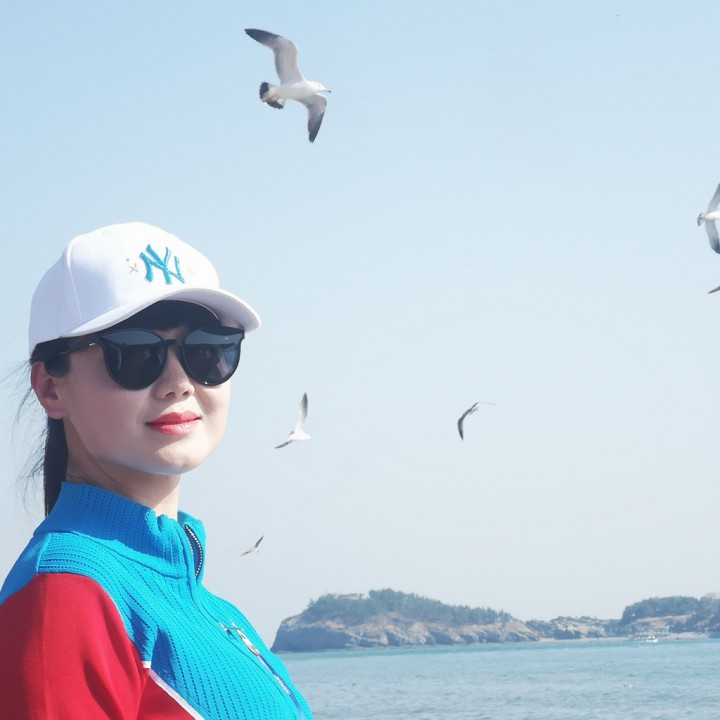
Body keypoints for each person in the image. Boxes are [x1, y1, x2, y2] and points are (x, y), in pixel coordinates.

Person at [0, 222, 312, 719]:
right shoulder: (66, 592)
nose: (179, 382)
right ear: (51, 388)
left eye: (208, 350)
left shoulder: (211, 611)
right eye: (135, 353)